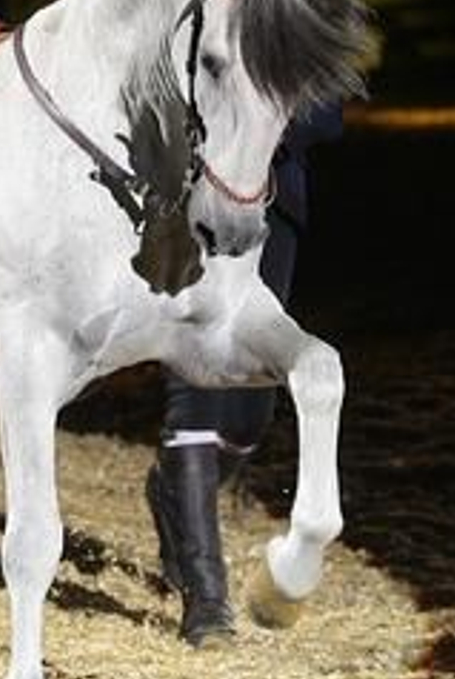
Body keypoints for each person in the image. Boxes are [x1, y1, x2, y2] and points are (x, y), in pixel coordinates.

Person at [146, 99, 346, 646]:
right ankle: (207, 599)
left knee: (246, 419)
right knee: (196, 398)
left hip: (268, 210)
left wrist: (257, 122)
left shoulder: (296, 17)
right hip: (182, 205)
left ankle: (171, 486)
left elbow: (329, 114)